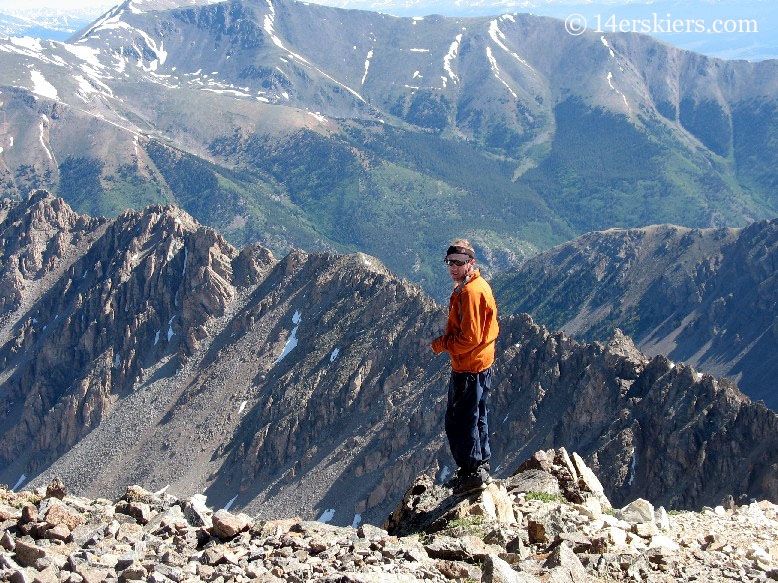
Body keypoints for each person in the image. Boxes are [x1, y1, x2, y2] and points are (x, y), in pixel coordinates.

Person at [431, 239, 499, 495]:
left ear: (471, 263)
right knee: (477, 415)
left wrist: (441, 344)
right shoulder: (476, 286)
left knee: (459, 421)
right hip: (481, 364)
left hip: (469, 367)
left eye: (459, 263)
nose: (453, 268)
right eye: (450, 262)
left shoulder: (470, 293)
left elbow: (469, 338)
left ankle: (471, 474)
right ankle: (481, 465)